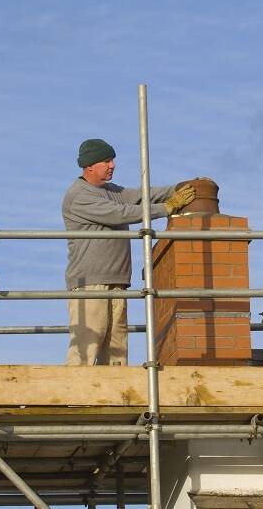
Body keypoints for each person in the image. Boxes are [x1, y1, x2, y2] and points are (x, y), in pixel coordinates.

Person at [62, 138, 196, 366]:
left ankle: (113, 398)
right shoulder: (79, 196)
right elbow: (121, 214)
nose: (113, 164)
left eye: (112, 160)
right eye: (106, 160)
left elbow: (143, 195)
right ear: (90, 165)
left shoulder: (111, 191)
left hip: (117, 281)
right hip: (90, 283)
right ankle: (74, 400)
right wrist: (167, 207)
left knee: (117, 350)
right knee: (86, 347)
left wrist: (178, 189)